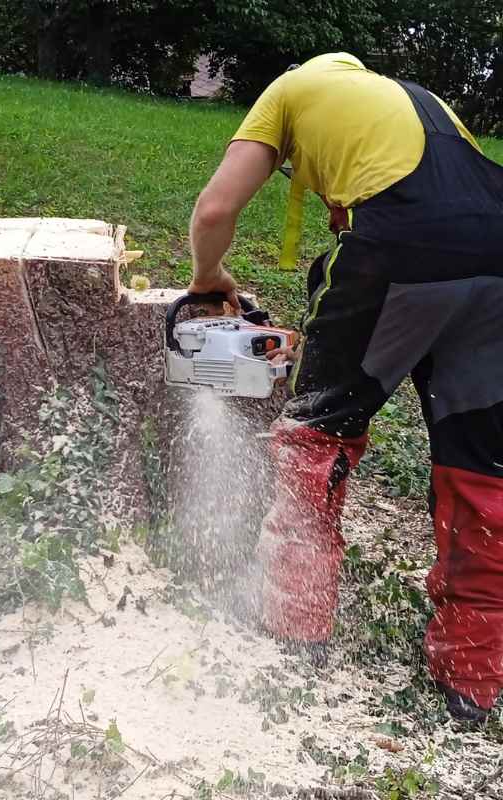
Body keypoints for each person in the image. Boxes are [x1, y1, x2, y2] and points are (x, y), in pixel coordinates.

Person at [188, 52, 503, 723]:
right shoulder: (409, 102)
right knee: (483, 471)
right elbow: (424, 202)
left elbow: (216, 205)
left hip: (404, 246)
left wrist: (207, 276)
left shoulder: (288, 90)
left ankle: (294, 626)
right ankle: (473, 677)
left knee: (315, 437)